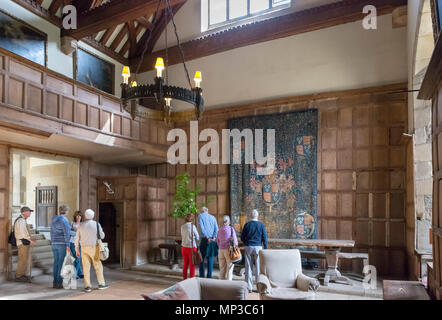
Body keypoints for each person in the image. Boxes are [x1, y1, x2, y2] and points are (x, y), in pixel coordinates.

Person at [75, 209, 108, 292]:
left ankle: (87, 286)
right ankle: (101, 284)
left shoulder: (81, 225)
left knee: (86, 267)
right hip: (94, 247)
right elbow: (102, 236)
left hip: (83, 248)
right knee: (98, 266)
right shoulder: (96, 224)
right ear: (92, 216)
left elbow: (77, 239)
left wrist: (76, 249)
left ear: (85, 216)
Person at [240, 209, 268, 292]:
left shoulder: (247, 225)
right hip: (258, 247)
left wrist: (246, 243)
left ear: (250, 216)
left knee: (248, 266)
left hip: (249, 246)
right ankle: (259, 287)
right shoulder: (261, 225)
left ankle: (249, 287)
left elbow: (242, 237)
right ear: (257, 216)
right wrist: (265, 248)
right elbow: (264, 237)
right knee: (258, 267)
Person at [50, 205, 71, 289]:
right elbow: (67, 233)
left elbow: (51, 231)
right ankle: (59, 283)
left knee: (56, 263)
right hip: (62, 243)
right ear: (66, 211)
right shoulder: (64, 220)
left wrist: (52, 242)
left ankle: (55, 282)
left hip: (54, 243)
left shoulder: (54, 219)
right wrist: (68, 245)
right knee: (61, 264)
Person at [14, 207, 36, 282]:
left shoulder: (22, 220)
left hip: (24, 242)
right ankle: (19, 276)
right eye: (28, 212)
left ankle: (23, 275)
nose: (30, 213)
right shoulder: (21, 220)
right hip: (22, 242)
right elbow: (23, 233)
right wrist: (30, 240)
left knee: (25, 259)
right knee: (22, 259)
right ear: (23, 212)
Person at [198, 207, 218, 278]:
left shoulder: (200, 216)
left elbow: (202, 228)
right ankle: (209, 277)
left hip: (205, 239)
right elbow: (216, 228)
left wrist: (207, 237)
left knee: (201, 259)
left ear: (201, 211)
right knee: (210, 258)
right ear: (207, 210)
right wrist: (214, 238)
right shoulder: (213, 217)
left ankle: (202, 276)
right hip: (212, 239)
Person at [216, 215, 238, 280]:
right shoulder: (231, 229)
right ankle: (228, 283)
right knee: (230, 267)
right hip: (228, 250)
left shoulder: (220, 229)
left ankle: (221, 282)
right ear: (229, 221)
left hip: (220, 250)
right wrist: (236, 247)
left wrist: (220, 246)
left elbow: (217, 240)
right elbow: (235, 241)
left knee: (222, 268)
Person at [180, 214, 199, 280]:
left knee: (185, 264)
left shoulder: (182, 226)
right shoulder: (193, 227)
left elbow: (182, 235)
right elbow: (198, 237)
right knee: (192, 265)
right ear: (192, 219)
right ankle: (191, 280)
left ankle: (184, 279)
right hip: (191, 248)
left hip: (184, 247)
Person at [69, 211, 84, 279]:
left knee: (78, 258)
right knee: (77, 258)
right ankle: (75, 274)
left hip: (80, 244)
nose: (78, 217)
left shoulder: (83, 224)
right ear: (75, 217)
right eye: (77, 216)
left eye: (80, 216)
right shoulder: (72, 224)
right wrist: (76, 232)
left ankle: (79, 273)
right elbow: (68, 232)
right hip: (72, 243)